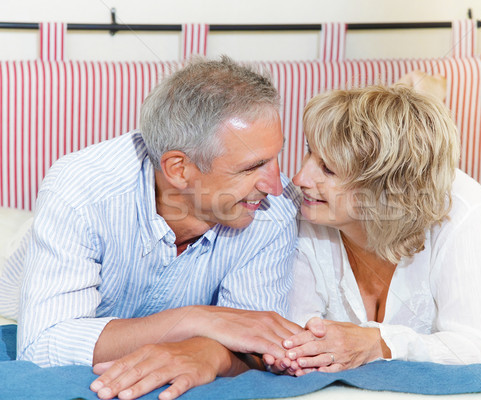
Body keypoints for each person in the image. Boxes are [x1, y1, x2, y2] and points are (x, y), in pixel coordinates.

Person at [0, 56, 303, 400]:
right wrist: (196, 320)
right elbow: (43, 345)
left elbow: (257, 341)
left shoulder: (274, 208)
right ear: (178, 169)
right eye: (254, 166)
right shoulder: (79, 190)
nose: (276, 186)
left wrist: (215, 354)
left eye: (277, 157)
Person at [264, 81, 481, 375]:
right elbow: (298, 334)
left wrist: (380, 342)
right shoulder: (302, 208)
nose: (299, 178)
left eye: (328, 169)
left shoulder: (462, 207)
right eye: (309, 152)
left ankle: (427, 90)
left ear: (385, 189)